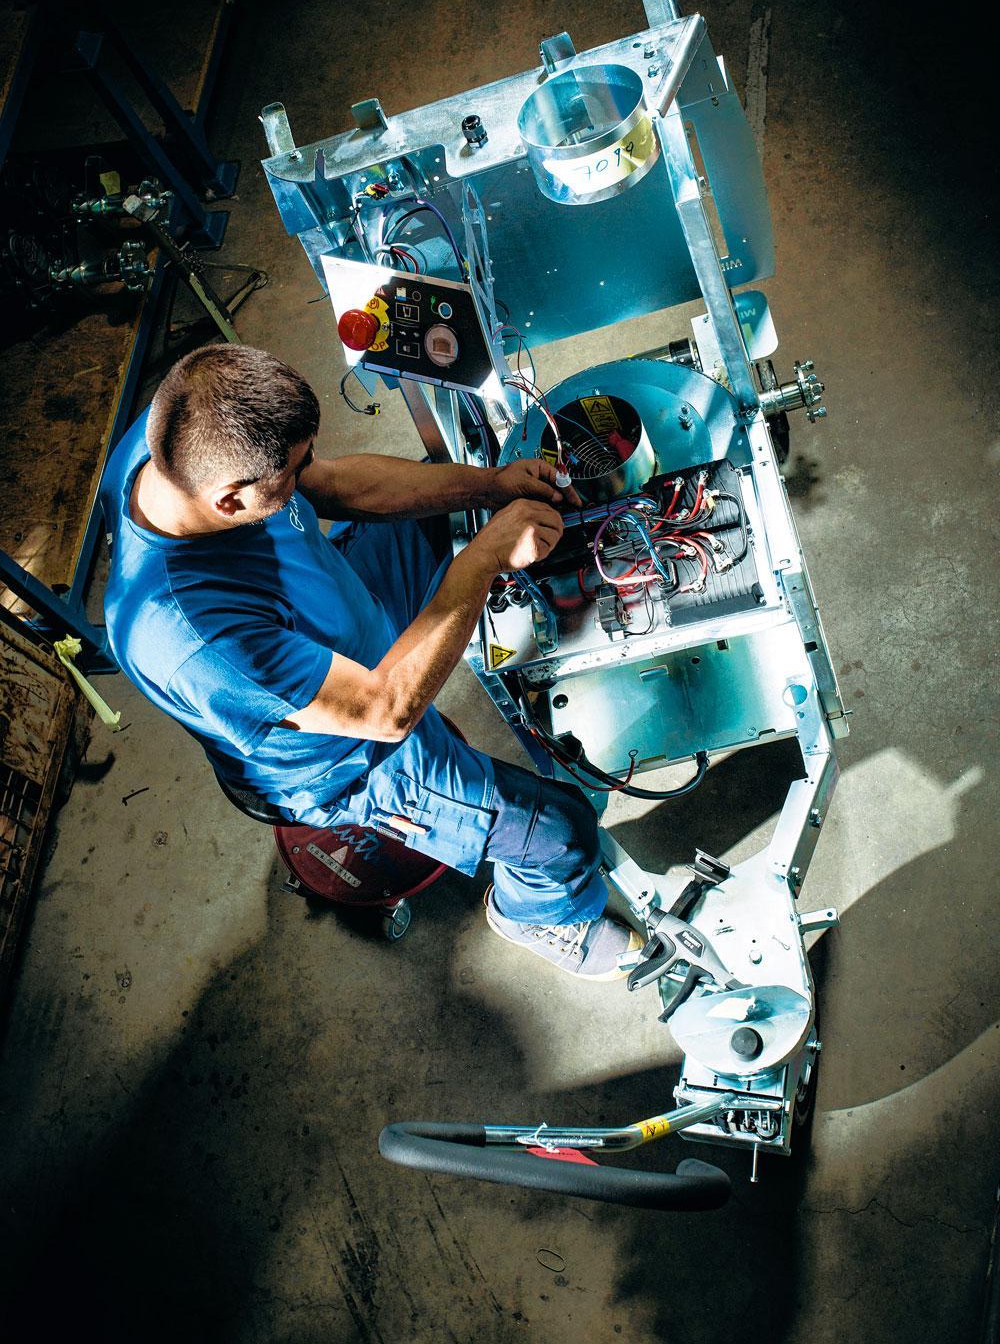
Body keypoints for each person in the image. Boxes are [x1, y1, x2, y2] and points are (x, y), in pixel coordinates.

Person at [100, 344, 640, 978]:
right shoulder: (192, 639)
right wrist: (484, 559)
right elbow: (385, 711)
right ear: (229, 502)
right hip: (345, 753)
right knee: (561, 830)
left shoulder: (180, 435)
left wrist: (489, 486)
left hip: (345, 615)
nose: (308, 472)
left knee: (453, 514)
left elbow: (338, 484)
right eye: (292, 471)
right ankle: (538, 915)